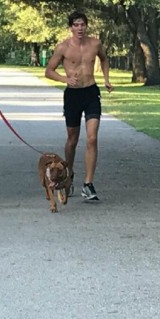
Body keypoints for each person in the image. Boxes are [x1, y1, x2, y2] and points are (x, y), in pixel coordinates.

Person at [45, 12, 112, 201]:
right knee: (72, 140)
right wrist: (65, 79)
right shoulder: (63, 48)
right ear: (71, 27)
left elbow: (104, 59)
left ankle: (88, 184)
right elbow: (49, 71)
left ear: (86, 26)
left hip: (91, 93)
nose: (80, 28)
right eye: (76, 25)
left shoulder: (95, 44)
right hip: (72, 95)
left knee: (92, 138)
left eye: (83, 24)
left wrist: (106, 79)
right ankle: (69, 173)